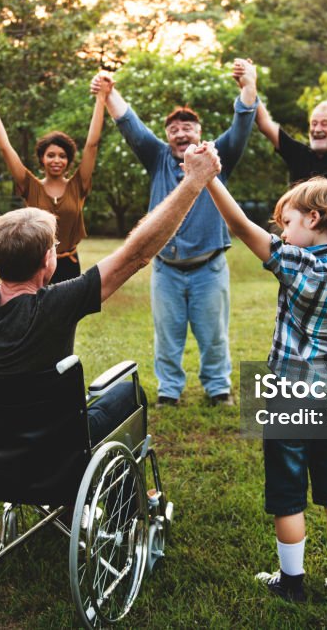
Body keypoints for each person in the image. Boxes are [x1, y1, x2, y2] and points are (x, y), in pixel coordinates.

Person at [0, 107, 223, 439]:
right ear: (50, 261)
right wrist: (193, 182)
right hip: (55, 443)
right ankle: (135, 493)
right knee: (132, 395)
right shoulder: (60, 302)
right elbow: (137, 254)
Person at [203, 138, 327, 602]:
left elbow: (238, 225)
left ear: (313, 220)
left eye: (286, 222)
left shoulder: (295, 262)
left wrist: (207, 178)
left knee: (287, 490)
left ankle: (292, 583)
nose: (282, 232)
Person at [95, 59, 259, 407]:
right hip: (166, 269)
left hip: (209, 268)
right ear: (167, 136)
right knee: (167, 336)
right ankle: (169, 392)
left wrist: (248, 84)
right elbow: (130, 124)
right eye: (174, 129)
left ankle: (218, 389)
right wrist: (110, 93)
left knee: (214, 336)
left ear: (199, 132)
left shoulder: (217, 158)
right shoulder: (157, 158)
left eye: (188, 127)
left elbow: (243, 123)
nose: (181, 133)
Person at [253, 93, 327, 413]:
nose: (318, 128)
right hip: (302, 256)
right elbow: (265, 123)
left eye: (325, 123)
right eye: (314, 123)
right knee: (317, 326)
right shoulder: (301, 154)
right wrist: (249, 86)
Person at [0, 79, 107, 283]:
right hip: (34, 264)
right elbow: (5, 149)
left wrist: (101, 98)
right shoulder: (30, 186)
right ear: (42, 159)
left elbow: (92, 145)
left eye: (62, 155)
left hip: (69, 264)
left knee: (67, 315)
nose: (56, 160)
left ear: (69, 161)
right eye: (51, 155)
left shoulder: (78, 185)